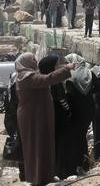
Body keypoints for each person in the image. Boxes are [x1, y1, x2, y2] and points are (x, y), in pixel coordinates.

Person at [15, 52, 74, 185]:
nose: (36, 62)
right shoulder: (25, 77)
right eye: (33, 60)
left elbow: (47, 75)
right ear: (26, 62)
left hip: (38, 115)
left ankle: (46, 175)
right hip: (32, 118)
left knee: (45, 144)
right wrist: (66, 69)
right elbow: (47, 80)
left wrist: (62, 67)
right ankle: (37, 178)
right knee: (36, 146)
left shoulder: (31, 74)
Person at [38, 55, 72, 180]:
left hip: (50, 117)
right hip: (59, 117)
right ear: (51, 66)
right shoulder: (54, 81)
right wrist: (68, 110)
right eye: (57, 64)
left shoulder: (42, 79)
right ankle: (59, 172)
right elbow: (61, 99)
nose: (59, 66)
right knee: (59, 145)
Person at [63, 53, 95, 176]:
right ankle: (85, 164)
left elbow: (69, 96)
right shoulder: (89, 73)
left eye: (68, 62)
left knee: (77, 139)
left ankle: (77, 165)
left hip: (76, 112)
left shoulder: (71, 76)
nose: (67, 65)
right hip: (88, 111)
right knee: (82, 137)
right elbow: (98, 88)